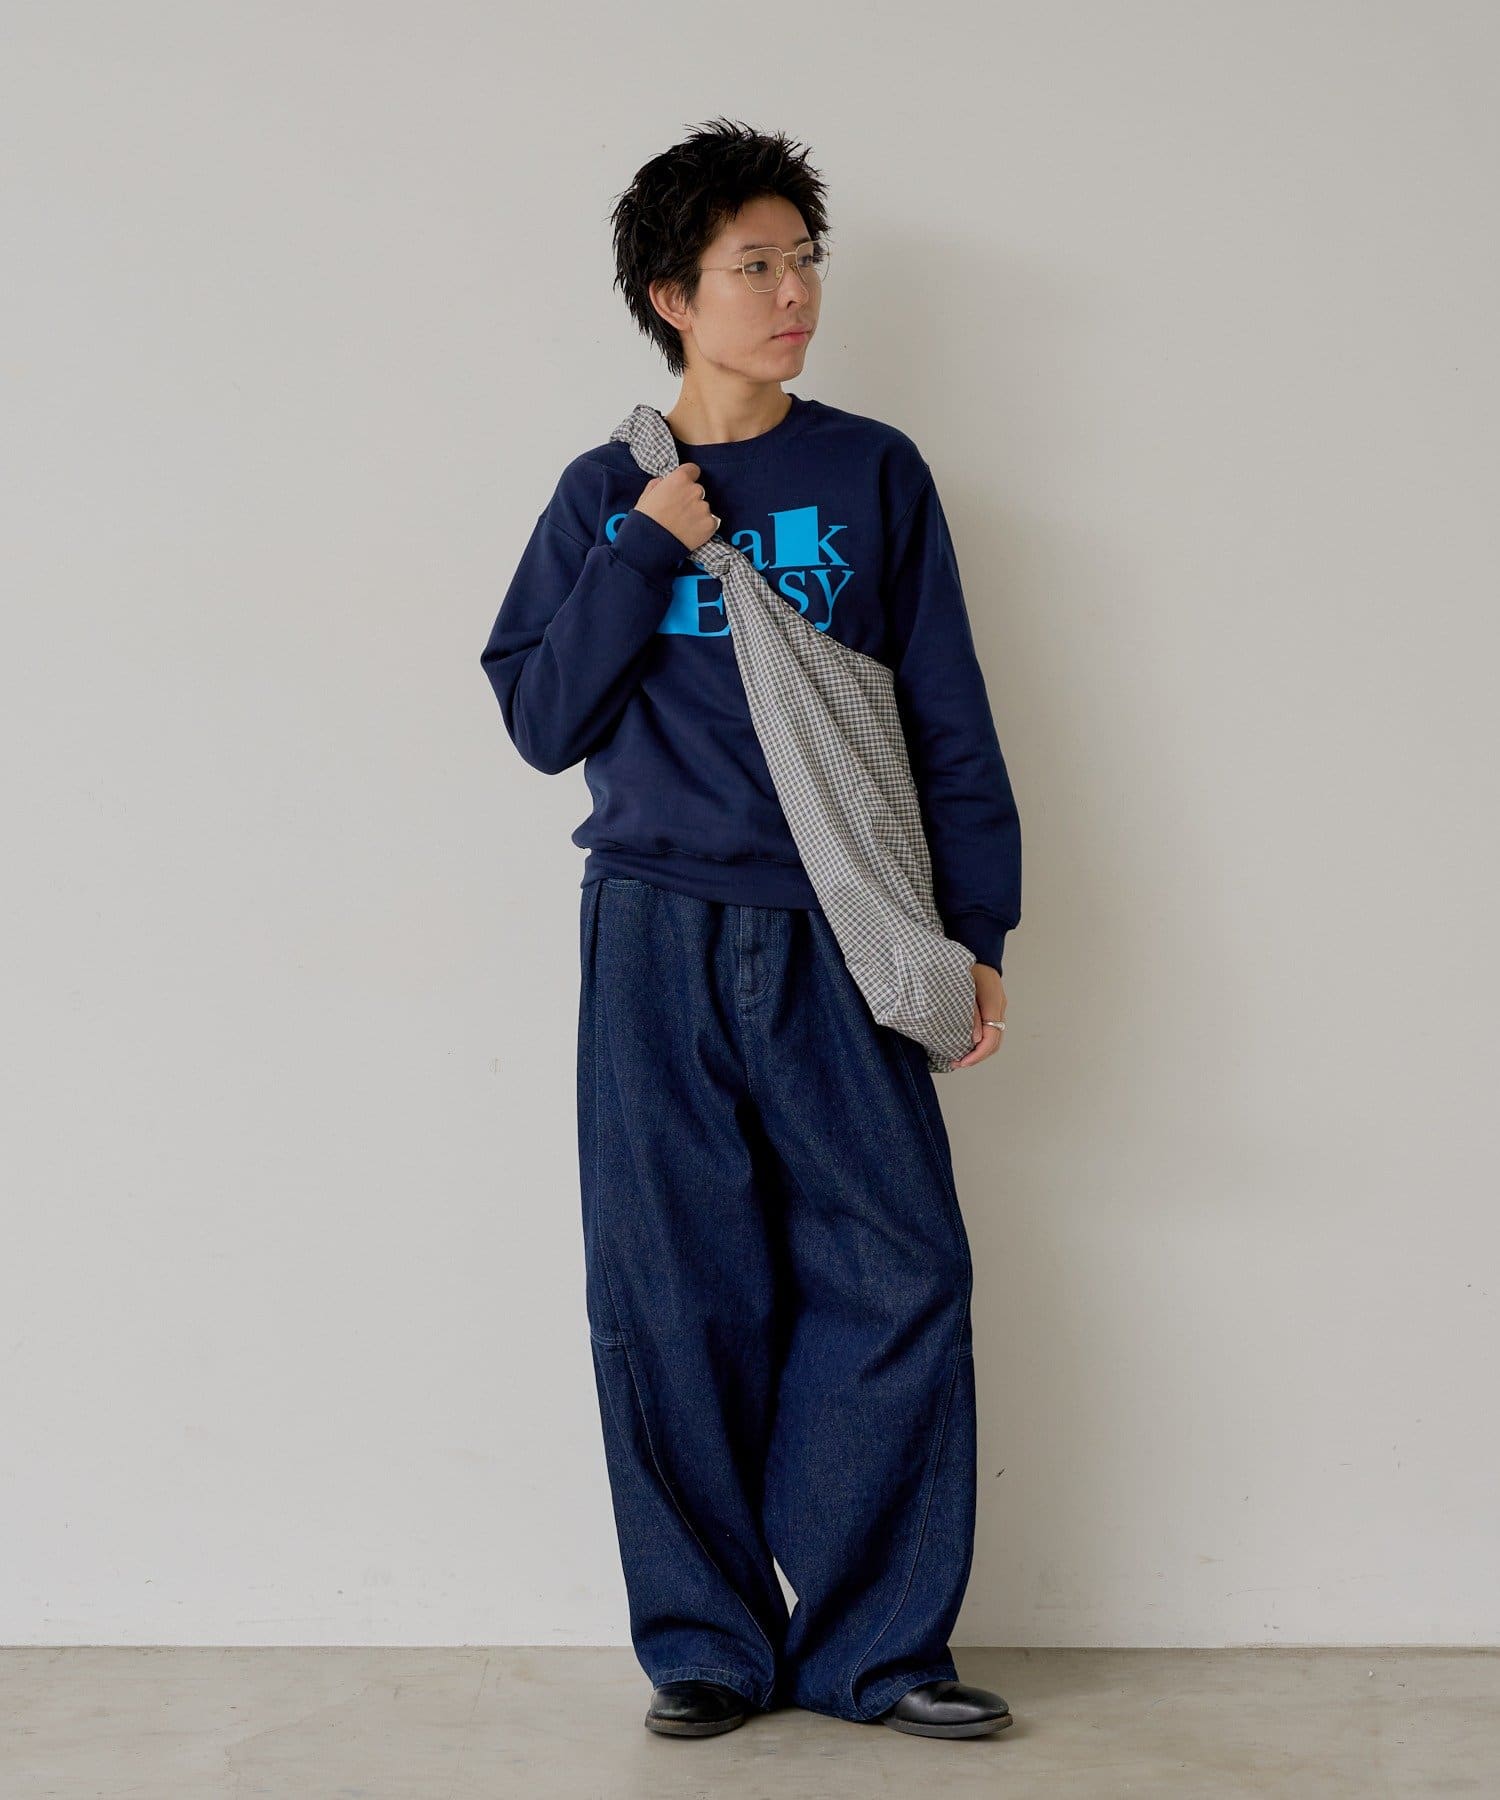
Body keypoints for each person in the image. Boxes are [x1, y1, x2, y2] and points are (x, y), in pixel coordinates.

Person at [479, 118, 1021, 1741]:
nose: (794, 294)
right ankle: (708, 1646)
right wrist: (647, 539)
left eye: (805, 262)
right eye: (755, 266)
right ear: (673, 295)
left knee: (898, 1273)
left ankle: (876, 1652)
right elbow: (541, 718)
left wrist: (979, 926)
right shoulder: (603, 492)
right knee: (669, 1289)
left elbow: (944, 714)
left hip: (843, 927)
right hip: (652, 928)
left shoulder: (873, 470)